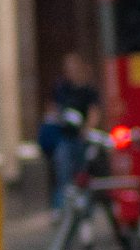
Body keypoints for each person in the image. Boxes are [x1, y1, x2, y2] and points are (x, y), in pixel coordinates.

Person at [38, 51, 101, 211]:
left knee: (83, 175)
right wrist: (56, 116)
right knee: (63, 173)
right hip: (64, 137)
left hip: (81, 138)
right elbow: (51, 107)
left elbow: (94, 111)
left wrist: (88, 129)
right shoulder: (62, 88)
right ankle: (61, 208)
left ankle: (86, 211)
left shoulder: (88, 89)